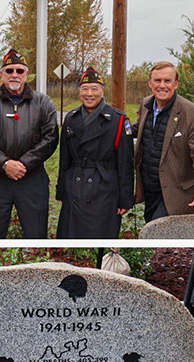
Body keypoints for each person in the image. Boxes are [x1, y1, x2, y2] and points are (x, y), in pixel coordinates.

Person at [0, 49, 58, 239]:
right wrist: (5, 163)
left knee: (36, 236)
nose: (14, 75)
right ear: (2, 73)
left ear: (26, 74)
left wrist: (24, 164)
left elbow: (51, 138)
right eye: (9, 70)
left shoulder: (44, 103)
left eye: (19, 71)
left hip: (32, 180)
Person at [56, 67, 134, 239]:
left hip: (104, 189)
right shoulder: (71, 118)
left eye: (94, 89)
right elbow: (64, 160)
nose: (89, 94)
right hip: (75, 187)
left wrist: (125, 199)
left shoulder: (118, 120)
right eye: (85, 89)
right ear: (79, 92)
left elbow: (125, 163)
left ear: (102, 91)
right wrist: (62, 190)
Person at [134, 61, 194, 222]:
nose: (162, 85)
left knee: (159, 234)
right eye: (157, 80)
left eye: (167, 81)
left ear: (176, 84)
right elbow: (137, 129)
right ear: (150, 82)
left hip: (174, 193)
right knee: (151, 228)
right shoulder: (146, 104)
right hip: (150, 188)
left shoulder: (191, 114)